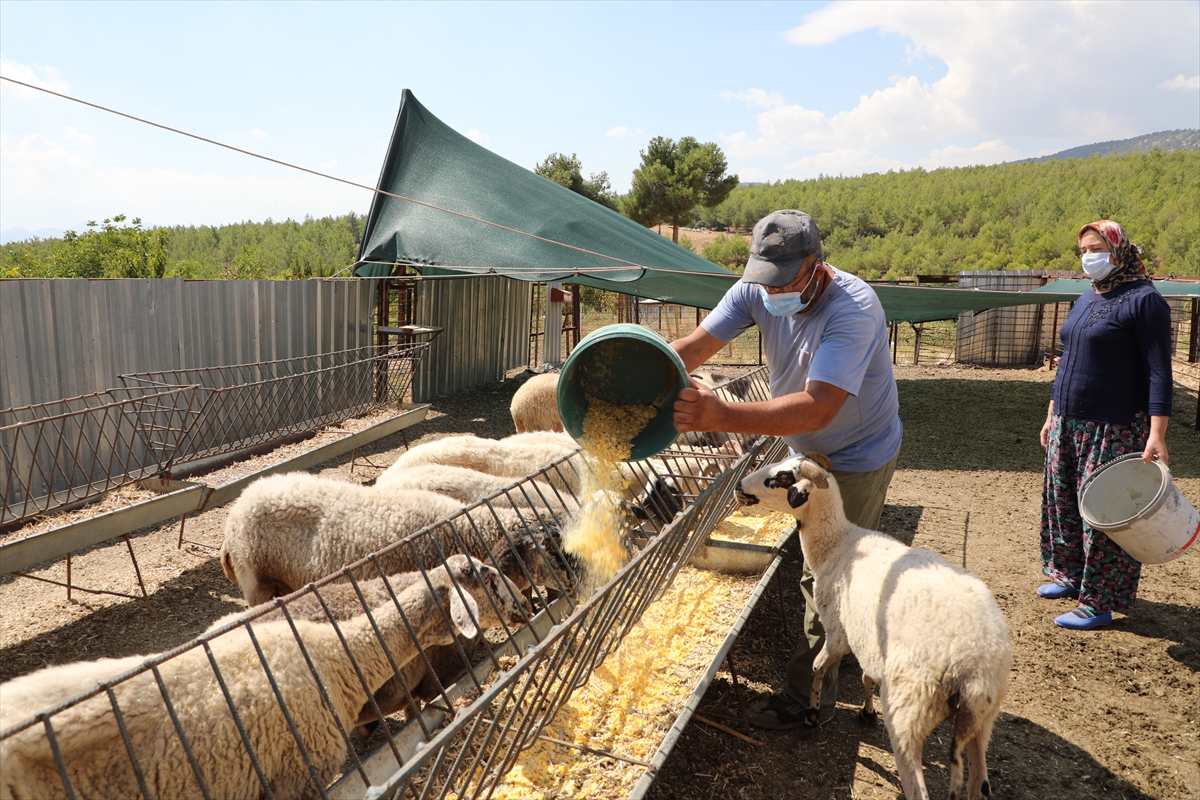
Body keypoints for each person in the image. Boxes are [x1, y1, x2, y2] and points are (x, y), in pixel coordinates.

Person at [670, 209, 903, 729]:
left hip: (856, 453)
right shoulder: (758, 287)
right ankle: (835, 667)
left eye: (786, 280)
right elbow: (696, 347)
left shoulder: (854, 307)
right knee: (815, 568)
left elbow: (820, 406)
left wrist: (722, 414)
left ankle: (806, 700)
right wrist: (647, 370)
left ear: (816, 265)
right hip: (804, 447)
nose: (773, 292)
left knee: (829, 572)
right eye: (764, 279)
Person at [1038, 219, 1173, 631]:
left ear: (1117, 250)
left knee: (1104, 512)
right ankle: (1069, 575)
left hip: (1114, 425)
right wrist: (1051, 414)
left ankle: (1099, 600)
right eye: (1082, 250)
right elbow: (1070, 360)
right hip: (1068, 420)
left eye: (1095, 247)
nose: (1088, 257)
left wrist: (1156, 434)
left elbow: (1158, 372)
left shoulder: (1145, 300)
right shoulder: (1086, 299)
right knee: (1062, 502)